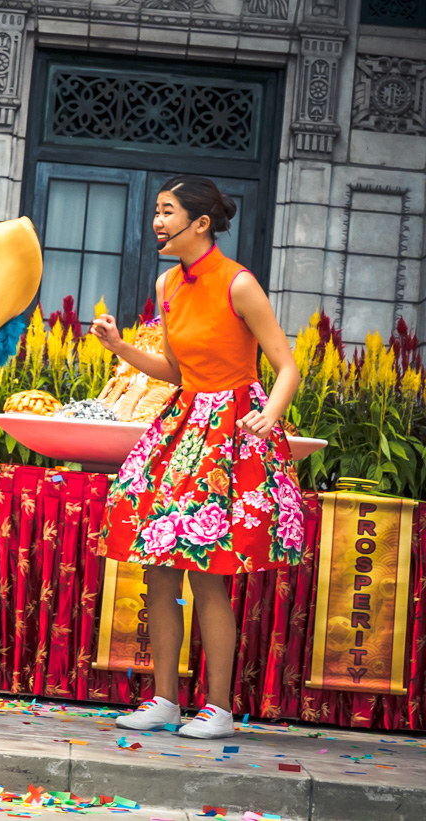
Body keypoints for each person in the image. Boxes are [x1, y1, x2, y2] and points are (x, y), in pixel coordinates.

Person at [89, 175, 303, 740]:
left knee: (210, 574)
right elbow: (178, 374)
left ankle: (219, 709)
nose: (156, 222)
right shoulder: (167, 285)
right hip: (182, 423)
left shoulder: (238, 285)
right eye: (156, 212)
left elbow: (287, 365)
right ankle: (164, 698)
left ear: (199, 223)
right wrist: (121, 348)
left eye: (166, 212)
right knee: (158, 567)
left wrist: (270, 415)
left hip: (232, 430)